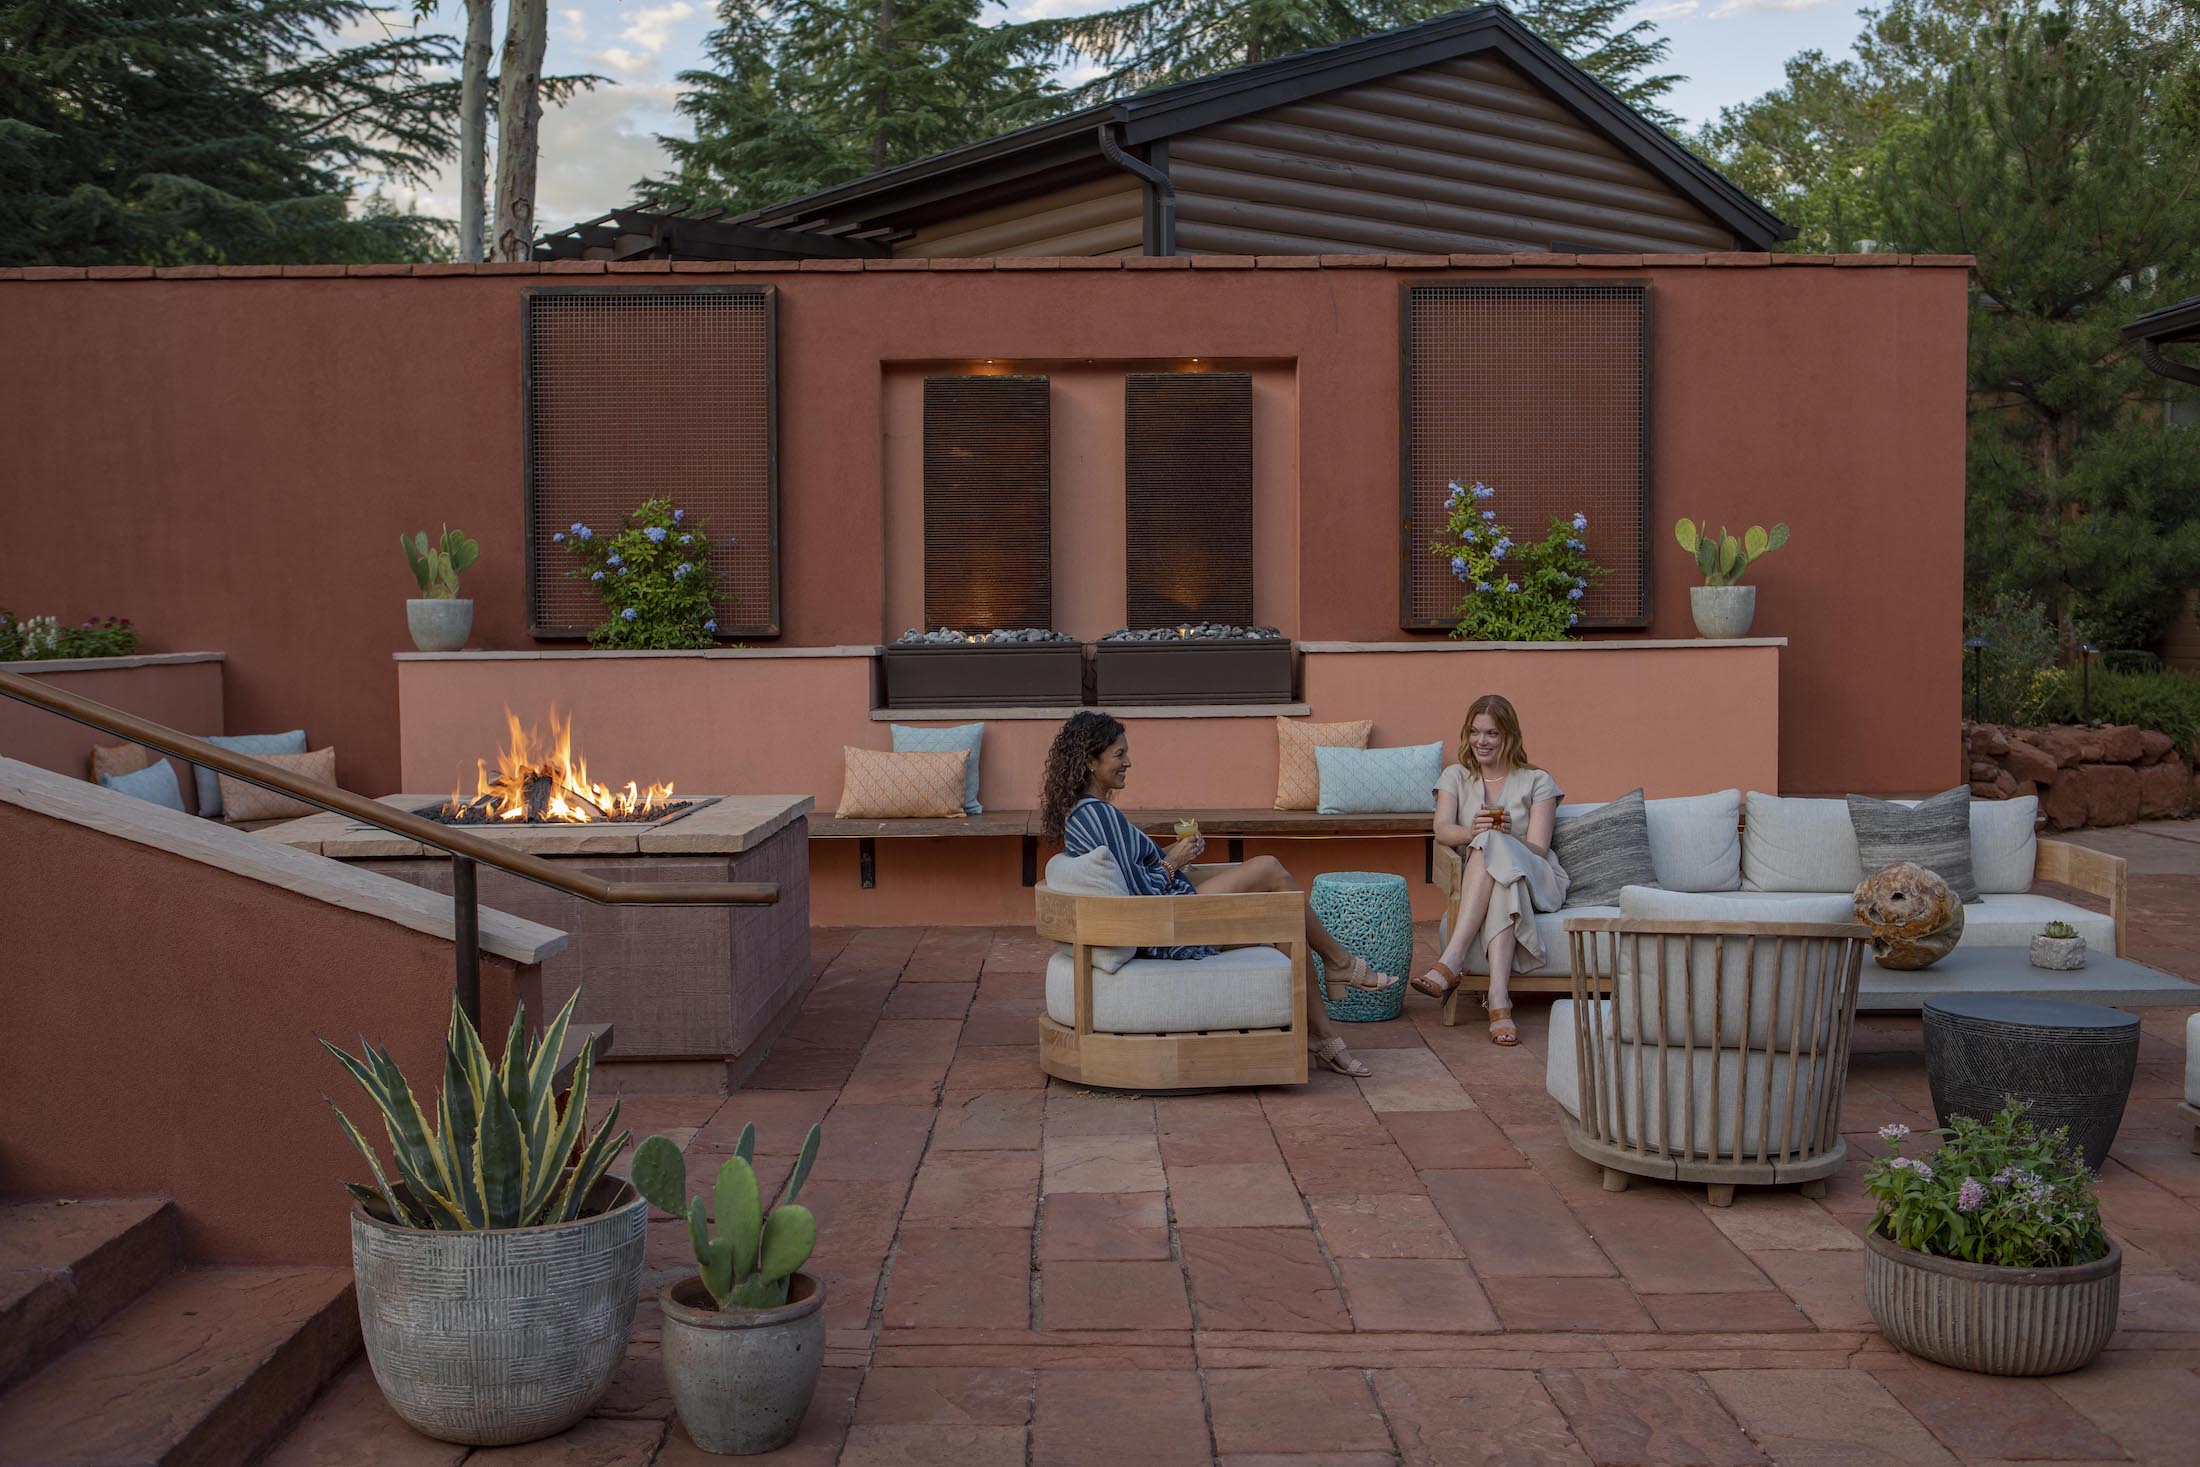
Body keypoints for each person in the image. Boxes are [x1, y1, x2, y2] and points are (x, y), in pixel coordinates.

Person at [1038, 711, 1400, 1077]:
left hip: (1168, 912)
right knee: (1271, 868)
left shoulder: (1087, 814)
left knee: (1285, 917)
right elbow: (1140, 896)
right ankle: (1340, 968)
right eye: (1119, 754)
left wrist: (1174, 855)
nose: (1128, 762)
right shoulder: (1097, 815)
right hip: (1165, 926)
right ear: (1089, 761)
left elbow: (1132, 874)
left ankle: (1326, 1028)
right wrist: (1173, 862)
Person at [1408, 694, 1568, 1046]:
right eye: (1476, 731)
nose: (1482, 741)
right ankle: (1499, 1003)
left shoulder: (1537, 780)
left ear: (1509, 736)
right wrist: (1472, 832)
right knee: (1496, 873)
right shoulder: (1455, 776)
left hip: (1537, 877)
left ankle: (1451, 961)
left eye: (1492, 733)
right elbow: (1442, 830)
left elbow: (1540, 849)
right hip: (1491, 881)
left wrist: (1508, 836)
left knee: (1493, 845)